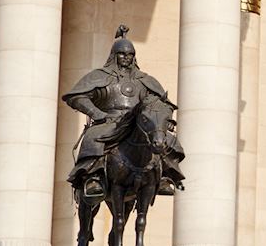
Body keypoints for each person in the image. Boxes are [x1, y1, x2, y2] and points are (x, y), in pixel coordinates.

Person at [63, 26, 185, 197]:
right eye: (122, 54)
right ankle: (93, 177)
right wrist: (97, 114)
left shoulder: (145, 80)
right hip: (109, 121)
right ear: (114, 55)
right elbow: (76, 97)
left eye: (130, 55)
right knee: (94, 137)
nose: (126, 58)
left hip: (138, 123)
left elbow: (163, 104)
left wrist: (163, 122)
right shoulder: (100, 76)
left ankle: (166, 176)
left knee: (169, 141)